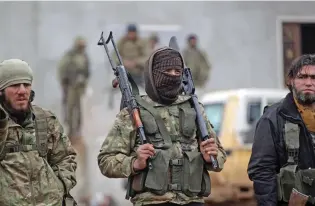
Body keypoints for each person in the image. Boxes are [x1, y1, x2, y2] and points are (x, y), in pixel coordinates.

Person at [98, 47, 226, 206]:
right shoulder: (134, 112)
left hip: (192, 201)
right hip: (152, 201)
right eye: (167, 71)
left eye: (177, 71)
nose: (173, 75)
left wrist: (211, 157)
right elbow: (105, 160)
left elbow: (219, 156)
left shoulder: (194, 108)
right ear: (153, 74)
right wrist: (135, 163)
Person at [0, 59, 77, 205]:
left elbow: (66, 157)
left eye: (26, 85)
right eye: (15, 85)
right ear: (1, 90)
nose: (22, 91)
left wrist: (59, 186)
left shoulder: (45, 120)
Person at [248, 54, 315, 205]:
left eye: (313, 77)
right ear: (291, 80)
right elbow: (262, 172)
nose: (309, 83)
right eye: (302, 77)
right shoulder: (272, 119)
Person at [57, 35, 90, 141]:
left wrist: (84, 80)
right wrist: (64, 83)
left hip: (79, 86)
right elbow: (62, 69)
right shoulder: (69, 56)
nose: (82, 48)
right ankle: (71, 130)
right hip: (70, 85)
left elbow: (87, 71)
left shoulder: (84, 56)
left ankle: (78, 130)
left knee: (79, 108)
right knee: (70, 108)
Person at [114, 23, 147, 88]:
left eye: (133, 33)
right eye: (130, 33)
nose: (131, 35)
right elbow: (115, 55)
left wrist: (135, 62)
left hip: (138, 73)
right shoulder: (122, 42)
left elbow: (146, 57)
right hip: (124, 72)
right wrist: (123, 62)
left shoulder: (141, 42)